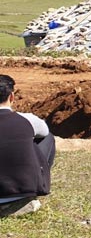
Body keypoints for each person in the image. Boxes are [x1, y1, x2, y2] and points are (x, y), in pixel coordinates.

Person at [0, 75, 55, 217]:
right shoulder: (27, 119)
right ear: (12, 96)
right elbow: (45, 131)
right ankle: (38, 181)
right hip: (21, 194)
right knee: (47, 138)